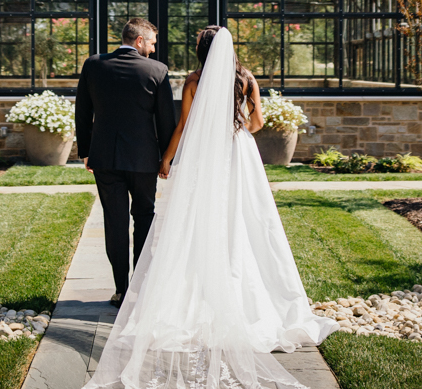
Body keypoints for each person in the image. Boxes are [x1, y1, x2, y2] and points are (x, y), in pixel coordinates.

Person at [83, 25, 337, 389]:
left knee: (201, 220)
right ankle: (244, 288)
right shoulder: (247, 80)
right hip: (239, 153)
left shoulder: (193, 80)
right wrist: (237, 130)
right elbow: (258, 122)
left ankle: (168, 288)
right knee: (246, 219)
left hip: (206, 156)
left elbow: (184, 125)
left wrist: (167, 159)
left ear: (203, 50)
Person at [74, 17, 176, 308]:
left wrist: (86, 152)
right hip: (144, 160)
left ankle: (120, 290)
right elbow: (166, 120)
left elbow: (83, 110)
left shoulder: (93, 65)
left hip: (105, 158)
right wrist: (166, 158)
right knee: (144, 217)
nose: (154, 50)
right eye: (152, 43)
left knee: (115, 222)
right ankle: (140, 290)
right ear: (139, 41)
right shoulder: (157, 71)